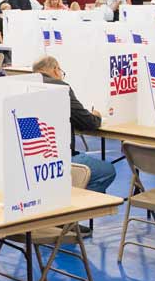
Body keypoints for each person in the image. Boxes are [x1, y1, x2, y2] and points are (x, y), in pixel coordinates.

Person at [30, 57, 115, 202]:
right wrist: (96, 116)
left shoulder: (26, 85)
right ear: (56, 69)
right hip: (60, 157)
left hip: (32, 159)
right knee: (107, 171)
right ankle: (71, 211)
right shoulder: (60, 87)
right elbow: (88, 123)